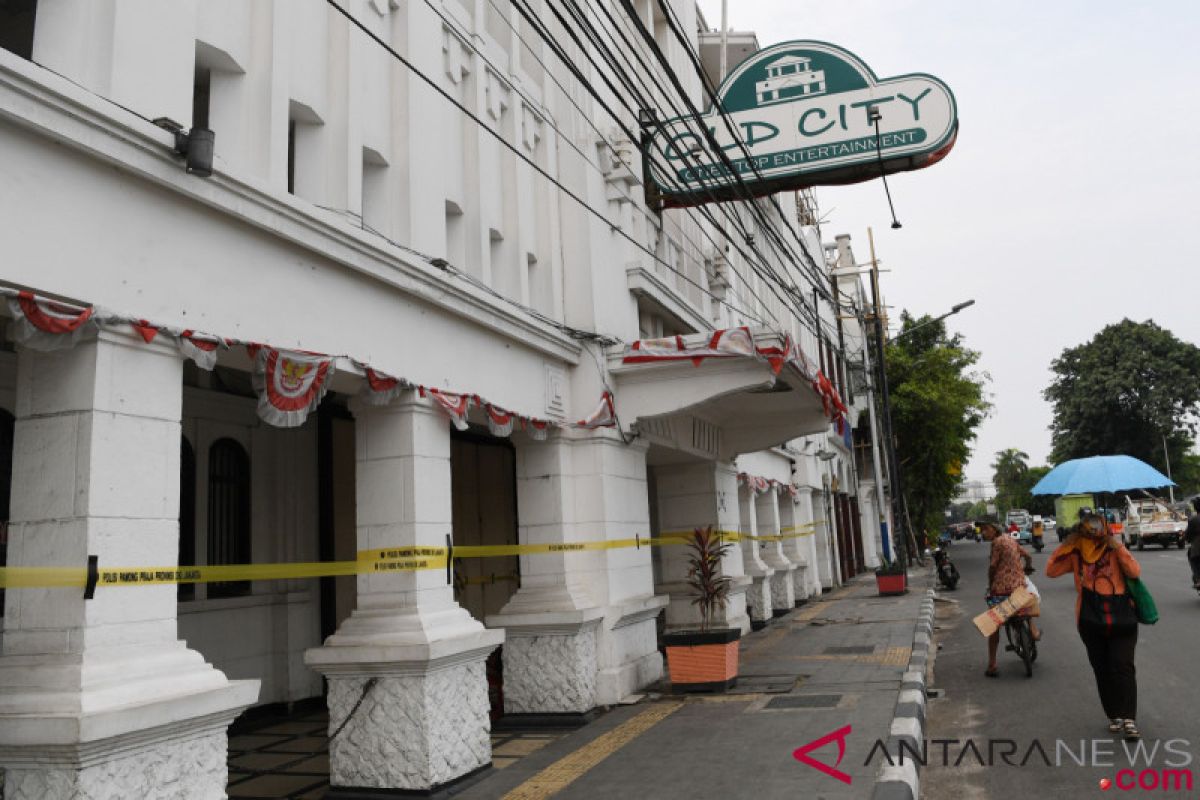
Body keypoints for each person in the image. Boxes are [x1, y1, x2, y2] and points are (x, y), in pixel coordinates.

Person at [1046, 509, 1143, 740]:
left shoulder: (1114, 548)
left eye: (1098, 526)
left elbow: (1135, 571)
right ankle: (1114, 715)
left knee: (1123, 666)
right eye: (1090, 527)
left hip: (1122, 617)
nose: (1095, 531)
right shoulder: (1077, 553)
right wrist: (1069, 544)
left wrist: (1116, 545)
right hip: (1090, 619)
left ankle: (1129, 719)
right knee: (1102, 668)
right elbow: (1050, 571)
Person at [978, 517, 1033, 677]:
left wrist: (990, 583)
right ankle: (1033, 633)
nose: (983, 532)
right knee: (1025, 607)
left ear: (994, 529)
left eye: (986, 529)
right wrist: (1027, 568)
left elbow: (993, 566)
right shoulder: (1009, 539)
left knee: (993, 625)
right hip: (1019, 589)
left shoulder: (996, 543)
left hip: (1001, 591)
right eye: (982, 530)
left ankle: (992, 665)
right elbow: (1028, 556)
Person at [1186, 498, 1200, 588]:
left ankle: (1198, 578)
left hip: (1198, 547)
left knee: (1192, 557)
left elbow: (1188, 536)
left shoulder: (1193, 520)